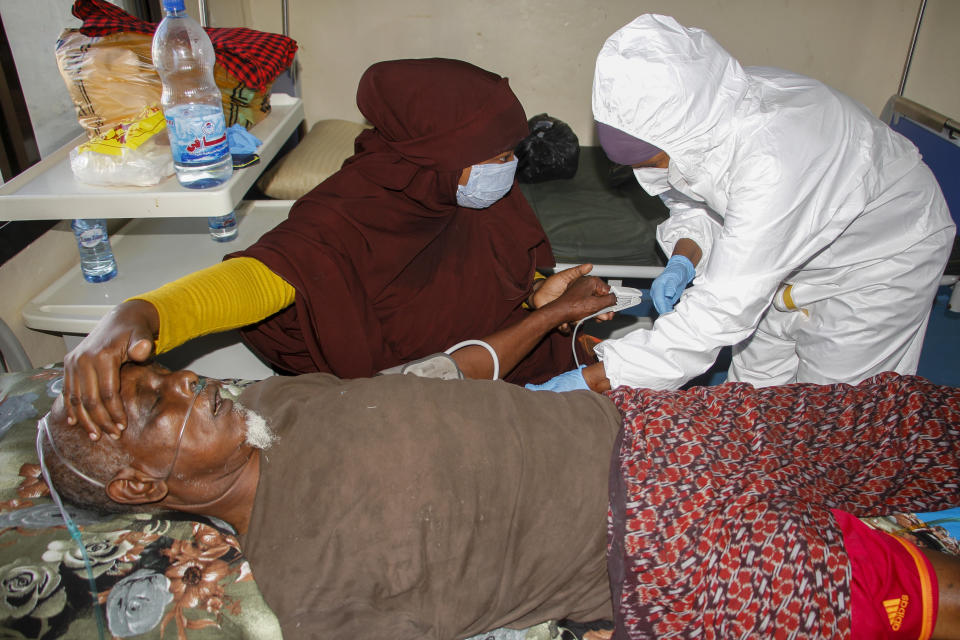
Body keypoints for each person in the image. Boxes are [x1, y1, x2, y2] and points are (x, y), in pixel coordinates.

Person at [42, 364, 960, 638]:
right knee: (922, 592)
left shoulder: (276, 401)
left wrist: (123, 332)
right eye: (157, 402)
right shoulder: (311, 588)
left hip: (660, 430)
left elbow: (154, 335)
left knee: (909, 417)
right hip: (656, 547)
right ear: (137, 486)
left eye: (160, 373)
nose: (187, 382)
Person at [62, 57, 616, 434]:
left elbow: (486, 281)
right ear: (438, 154)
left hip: (489, 353)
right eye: (496, 156)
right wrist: (140, 313)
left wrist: (539, 297)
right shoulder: (349, 215)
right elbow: (261, 275)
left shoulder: (470, 197)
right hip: (418, 385)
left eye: (509, 152)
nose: (509, 168)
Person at [535, 14, 955, 394]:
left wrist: (593, 379)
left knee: (835, 415)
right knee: (750, 396)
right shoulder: (708, 116)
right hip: (787, 256)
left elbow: (719, 312)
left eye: (655, 160)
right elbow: (695, 204)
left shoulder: (774, 158)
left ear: (683, 135)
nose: (652, 175)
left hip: (877, 262)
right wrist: (683, 259)